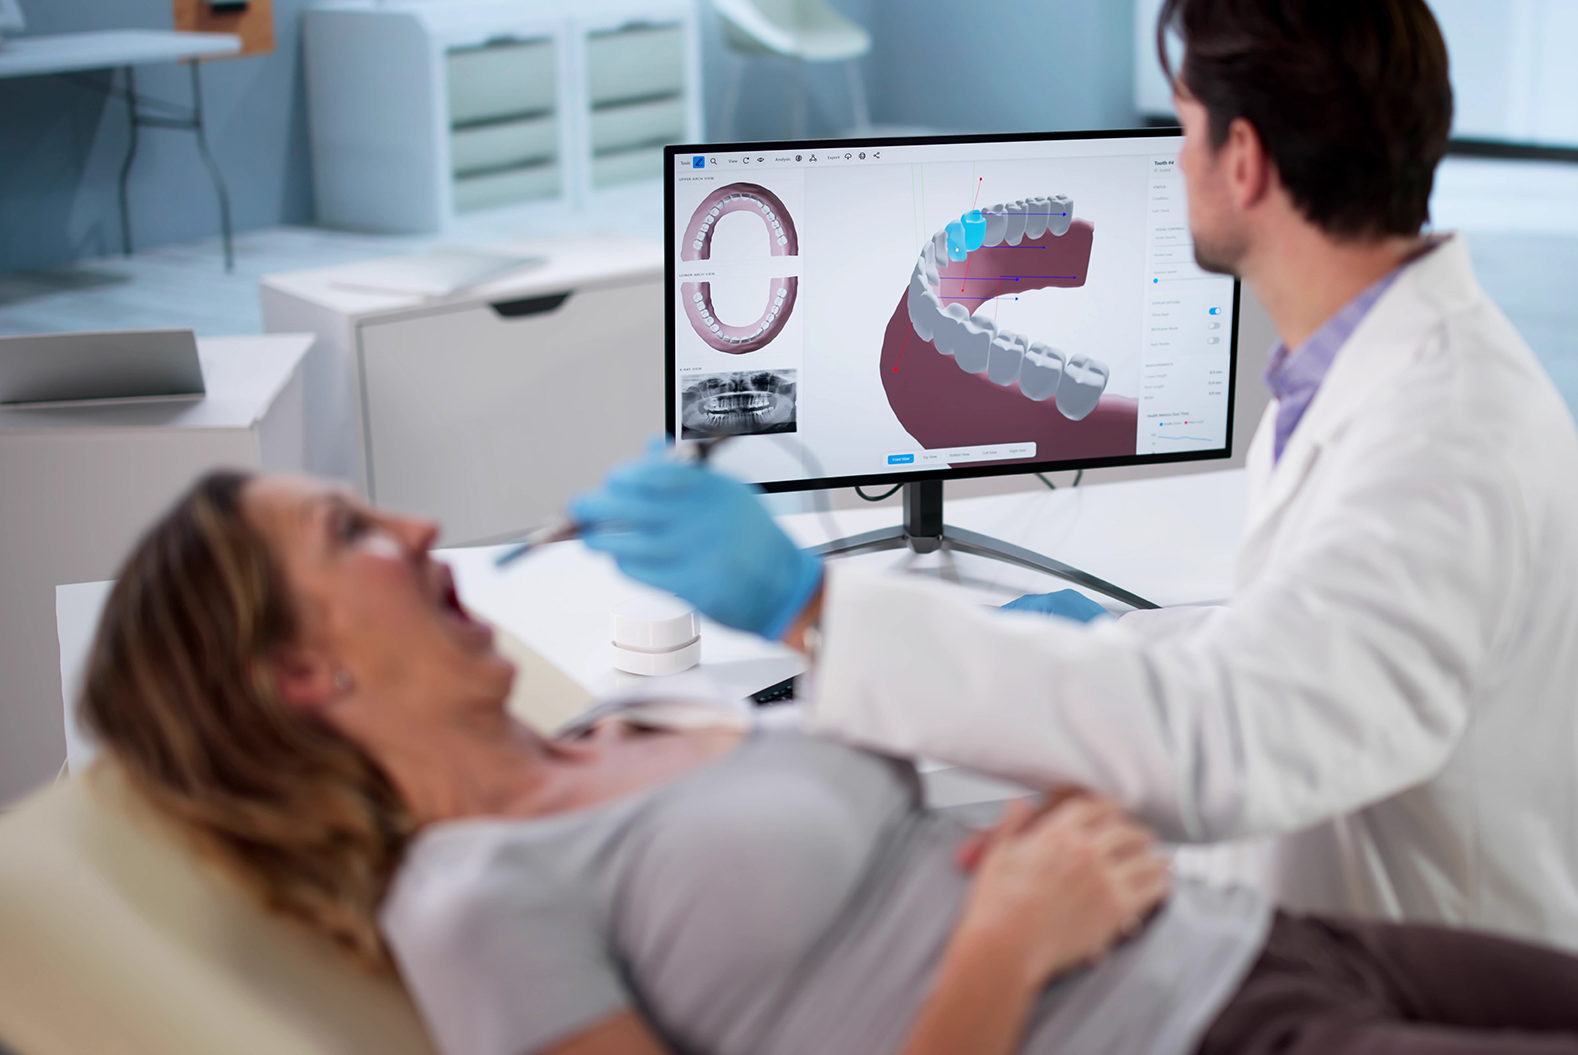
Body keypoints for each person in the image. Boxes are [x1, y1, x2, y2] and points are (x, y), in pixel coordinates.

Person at [571, 0, 1578, 950]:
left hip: (1425, 989)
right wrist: (1127, 636)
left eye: (1182, 127)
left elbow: (1226, 742)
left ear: (1241, 161)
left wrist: (815, 605)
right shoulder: (1356, 366)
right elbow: (1318, 643)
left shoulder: (1441, 438)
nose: (1172, 157)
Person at [79, 472, 1578, 1055]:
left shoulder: (624, 722)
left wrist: (1044, 784)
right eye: (352, 535)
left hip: (1263, 937)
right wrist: (1005, 936)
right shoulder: (472, 897)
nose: (411, 526)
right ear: (302, 673)